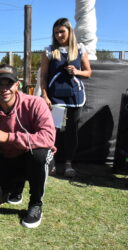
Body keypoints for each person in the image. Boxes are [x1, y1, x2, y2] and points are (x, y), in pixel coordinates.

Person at [0, 64, 56, 228]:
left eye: (9, 83)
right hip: (9, 158)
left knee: (40, 155)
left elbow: (48, 138)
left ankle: (36, 204)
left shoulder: (36, 103)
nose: (5, 88)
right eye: (0, 83)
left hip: (34, 157)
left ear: (17, 85)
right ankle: (16, 187)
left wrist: (8, 137)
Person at [40, 18, 92, 177]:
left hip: (75, 97)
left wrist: (77, 72)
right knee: (52, 130)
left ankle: (69, 164)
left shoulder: (80, 49)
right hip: (55, 97)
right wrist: (44, 95)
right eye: (56, 32)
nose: (59, 35)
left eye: (62, 31)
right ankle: (52, 163)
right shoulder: (49, 51)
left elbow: (88, 72)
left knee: (72, 131)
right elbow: (43, 76)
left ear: (70, 31)